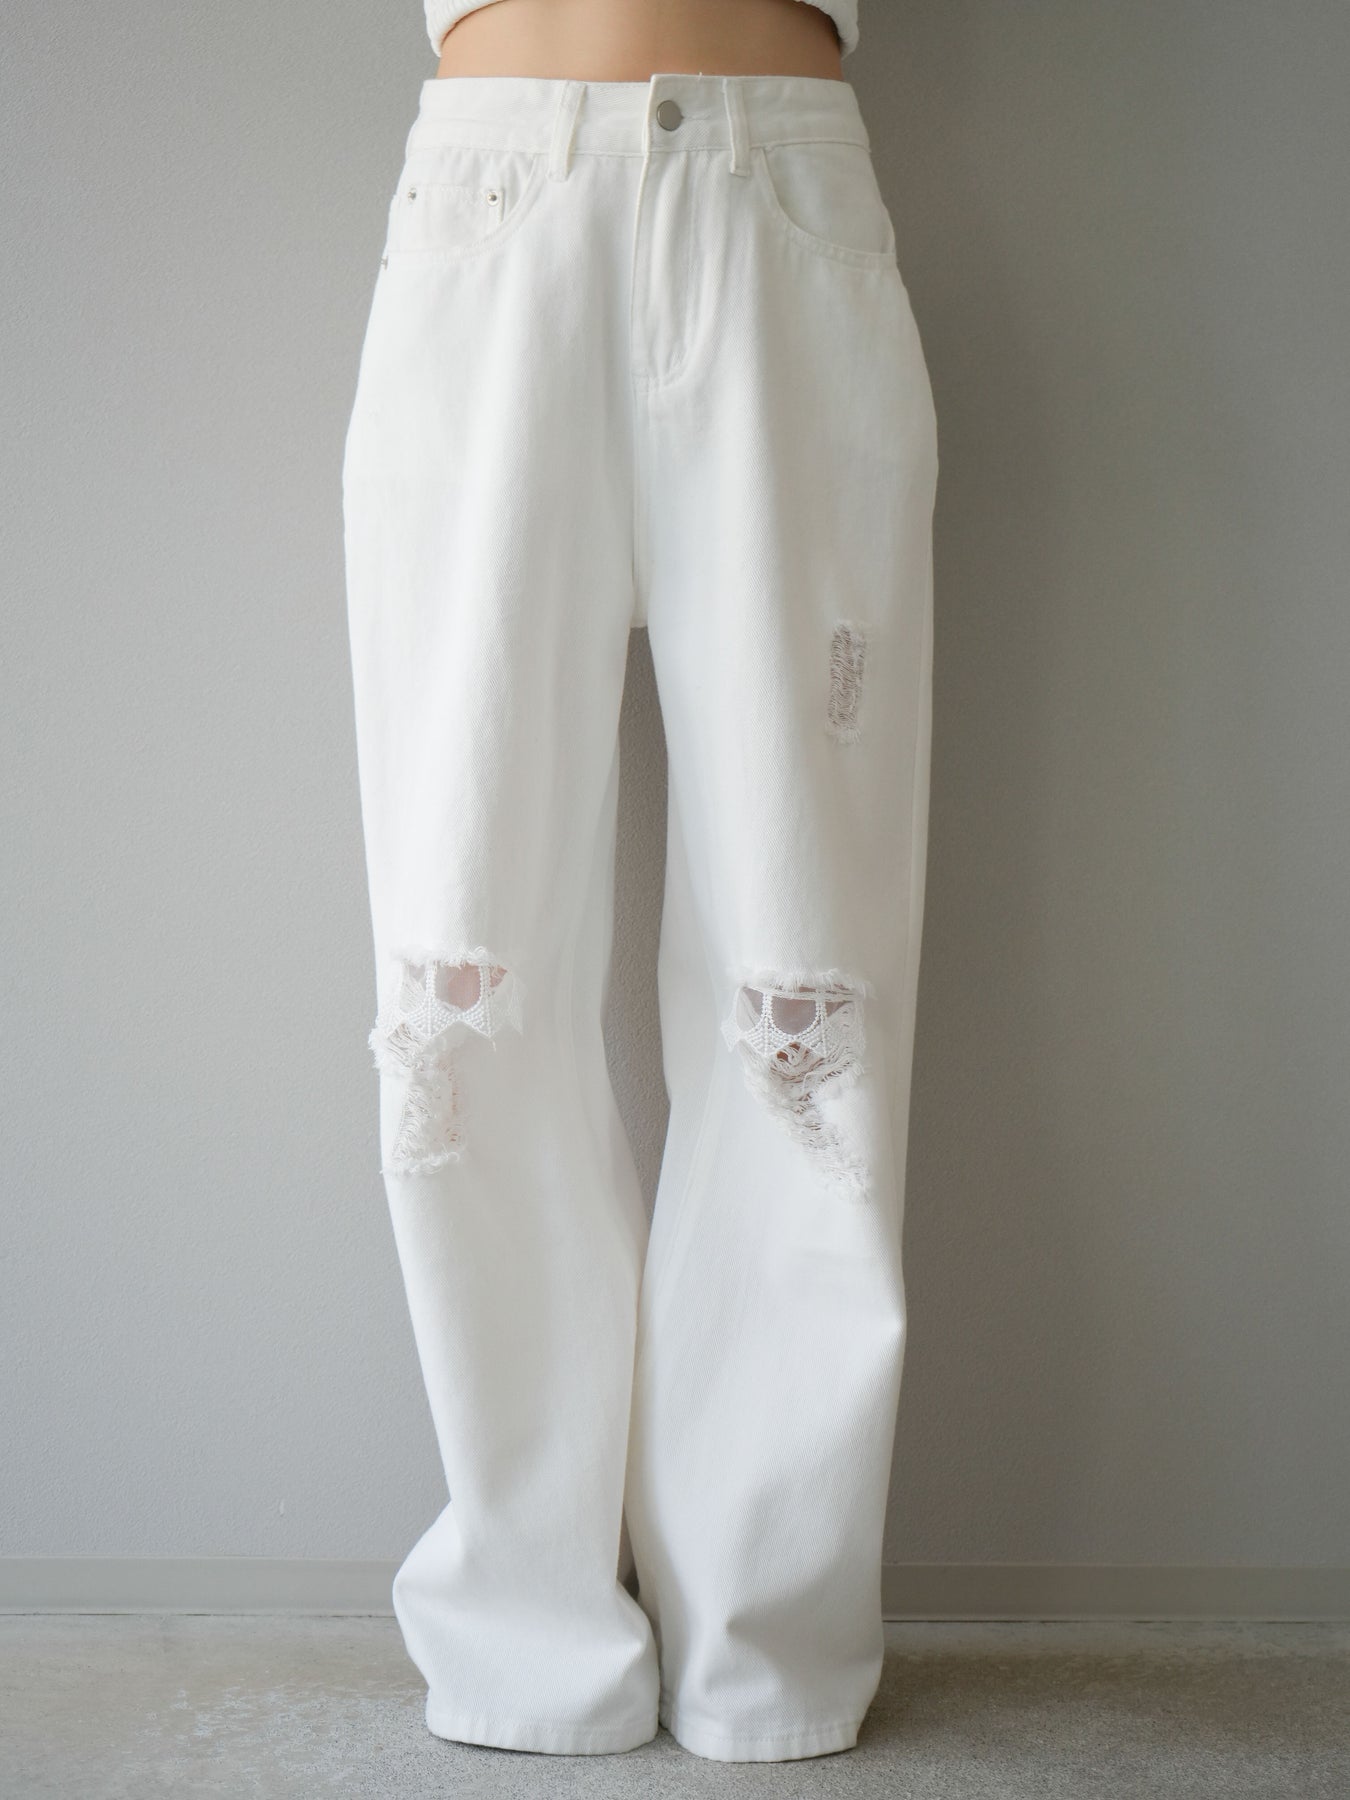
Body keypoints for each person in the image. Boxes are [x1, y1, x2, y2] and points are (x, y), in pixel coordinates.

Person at [341, 0, 936, 1765]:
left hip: (781, 221)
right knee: (460, 990)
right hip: (489, 221)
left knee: (805, 997)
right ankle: (524, 1632)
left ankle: (767, 1641)